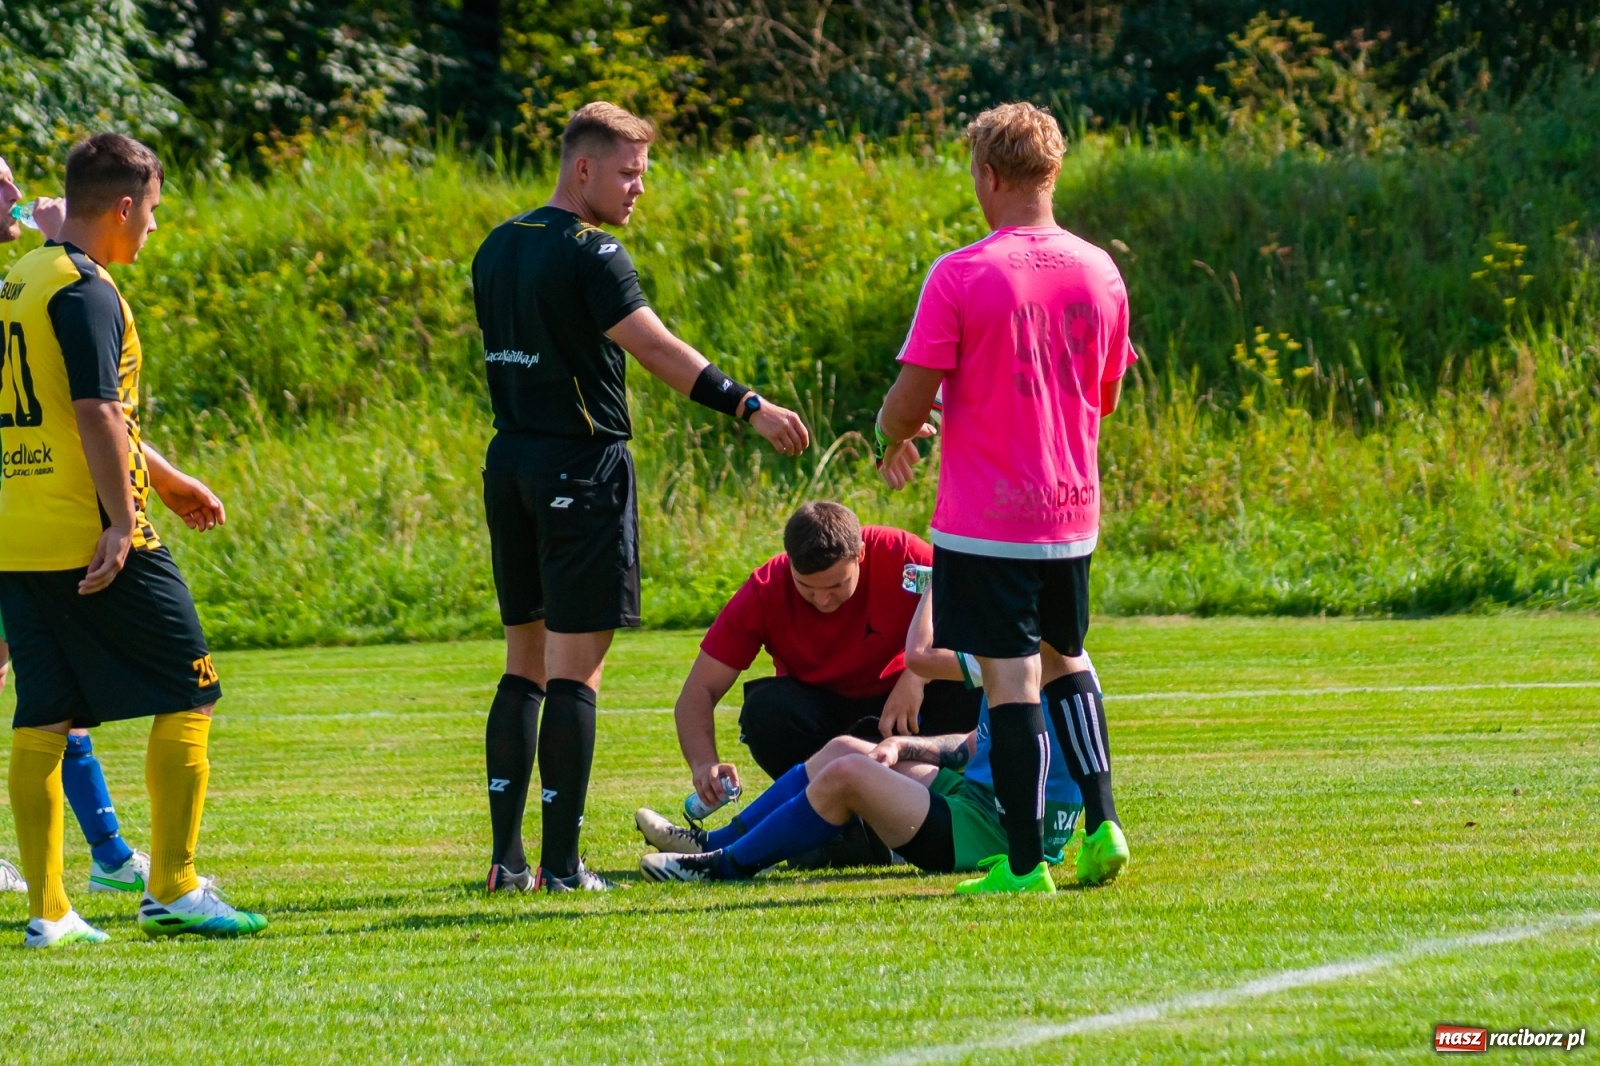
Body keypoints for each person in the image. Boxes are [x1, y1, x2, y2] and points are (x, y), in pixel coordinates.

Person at [471, 102, 810, 893]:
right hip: (580, 470)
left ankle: (505, 860)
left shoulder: (497, 245)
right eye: (626, 173)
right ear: (581, 168)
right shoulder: (593, 253)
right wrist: (748, 406)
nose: (637, 190)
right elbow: (654, 348)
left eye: (643, 175)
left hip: (510, 464)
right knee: (575, 675)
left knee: (522, 666)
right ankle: (559, 867)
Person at [0, 133, 265, 946]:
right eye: (150, 209)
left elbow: (63, 406)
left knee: (42, 715)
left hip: (17, 532)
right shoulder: (85, 289)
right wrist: (123, 520)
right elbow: (96, 412)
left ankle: (49, 912)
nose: (152, 225)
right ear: (122, 206)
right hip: (93, 531)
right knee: (193, 691)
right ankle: (173, 887)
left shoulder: (16, 280)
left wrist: (172, 480)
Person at [874, 102, 1135, 894]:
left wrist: (900, 429)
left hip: (990, 520)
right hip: (1071, 511)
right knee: (1067, 658)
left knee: (1011, 678)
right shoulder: (1100, 269)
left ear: (988, 175)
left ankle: (1023, 867)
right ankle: (1104, 826)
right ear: (1053, 173)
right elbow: (1104, 393)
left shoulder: (962, 272)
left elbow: (904, 406)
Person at [636, 592, 1083, 884]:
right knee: (845, 749)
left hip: (996, 835)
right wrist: (901, 746)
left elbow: (919, 656)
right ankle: (713, 842)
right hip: (980, 803)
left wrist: (937, 581)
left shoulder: (1020, 661)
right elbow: (971, 744)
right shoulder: (1034, 658)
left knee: (848, 774)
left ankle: (724, 866)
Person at [3, 157, 155, 898]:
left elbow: (82, 407)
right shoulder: (43, 281)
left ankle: (106, 852)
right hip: (24, 506)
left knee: (48, 687)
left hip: (24, 507)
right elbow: (89, 408)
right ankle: (111, 857)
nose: (15, 195)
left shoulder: (31, 276)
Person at [667, 500, 981, 804]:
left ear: (860, 554)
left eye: (835, 585)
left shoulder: (902, 556)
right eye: (806, 586)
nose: (823, 600)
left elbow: (973, 610)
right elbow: (698, 691)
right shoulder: (766, 589)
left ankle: (949, 798)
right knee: (765, 710)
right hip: (823, 719)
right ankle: (830, 811)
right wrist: (703, 764)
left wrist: (917, 675)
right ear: (789, 562)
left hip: (907, 711)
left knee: (972, 683)